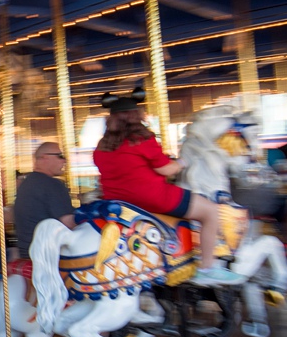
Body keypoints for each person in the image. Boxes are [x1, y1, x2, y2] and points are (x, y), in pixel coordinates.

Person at [93, 89, 243, 286]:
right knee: (210, 211)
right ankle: (208, 267)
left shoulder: (101, 147)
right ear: (136, 116)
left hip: (118, 203)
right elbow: (167, 170)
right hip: (153, 198)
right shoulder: (142, 140)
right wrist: (184, 161)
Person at [14, 142, 75, 257]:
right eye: (60, 156)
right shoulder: (52, 184)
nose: (64, 160)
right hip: (49, 254)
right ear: (44, 158)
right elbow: (68, 222)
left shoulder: (27, 182)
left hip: (27, 252)